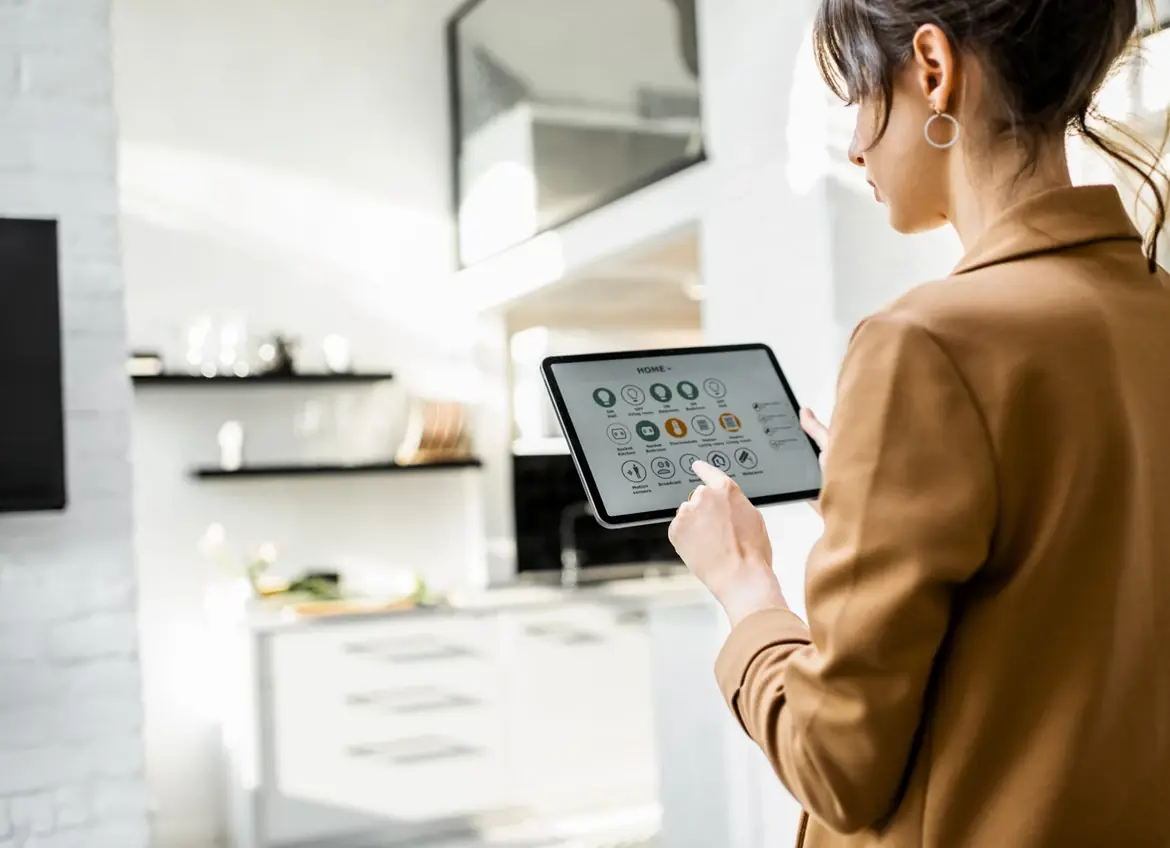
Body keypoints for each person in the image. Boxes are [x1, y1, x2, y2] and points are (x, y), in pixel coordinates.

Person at [668, 1, 1170, 846]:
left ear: (932, 69)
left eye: (860, 96)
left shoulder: (924, 347)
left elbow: (836, 765)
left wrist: (746, 585)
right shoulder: (1153, 311)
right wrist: (883, 481)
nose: (856, 143)